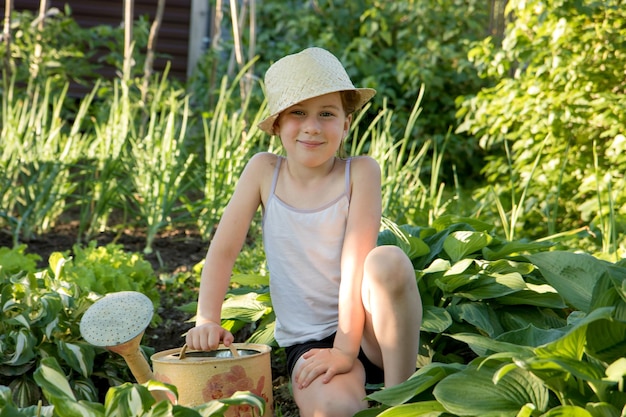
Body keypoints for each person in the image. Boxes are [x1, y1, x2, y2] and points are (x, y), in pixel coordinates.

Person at [185, 47, 422, 417]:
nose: (312, 126)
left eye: (327, 114)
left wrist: (346, 348)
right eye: (298, 113)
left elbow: (356, 263)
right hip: (309, 342)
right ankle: (353, 391)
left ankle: (401, 396)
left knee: (387, 261)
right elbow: (224, 250)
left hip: (370, 334)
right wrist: (207, 320)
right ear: (278, 124)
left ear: (345, 124)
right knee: (335, 411)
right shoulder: (264, 171)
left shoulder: (360, 172)